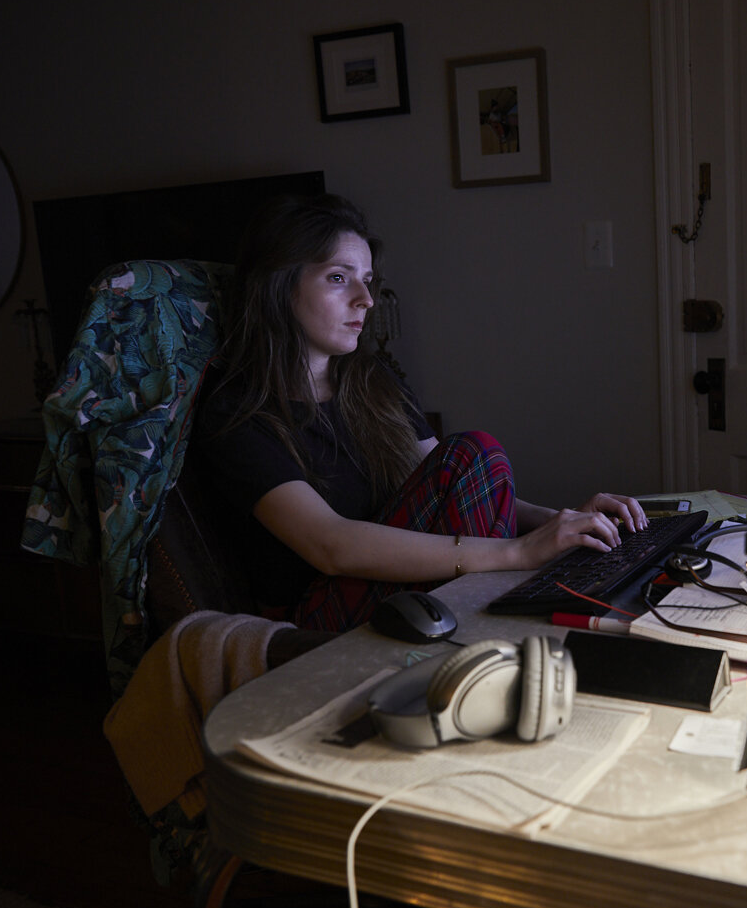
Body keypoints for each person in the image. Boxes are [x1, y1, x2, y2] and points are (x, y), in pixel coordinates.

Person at [193, 193, 647, 664]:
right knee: (476, 448)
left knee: (474, 454)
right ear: (278, 286)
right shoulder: (238, 412)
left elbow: (462, 484)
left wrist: (564, 522)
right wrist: (518, 553)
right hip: (315, 616)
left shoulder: (371, 382)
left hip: (407, 594)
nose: (365, 300)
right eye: (337, 278)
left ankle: (503, 649)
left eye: (367, 281)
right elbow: (330, 545)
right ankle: (496, 653)